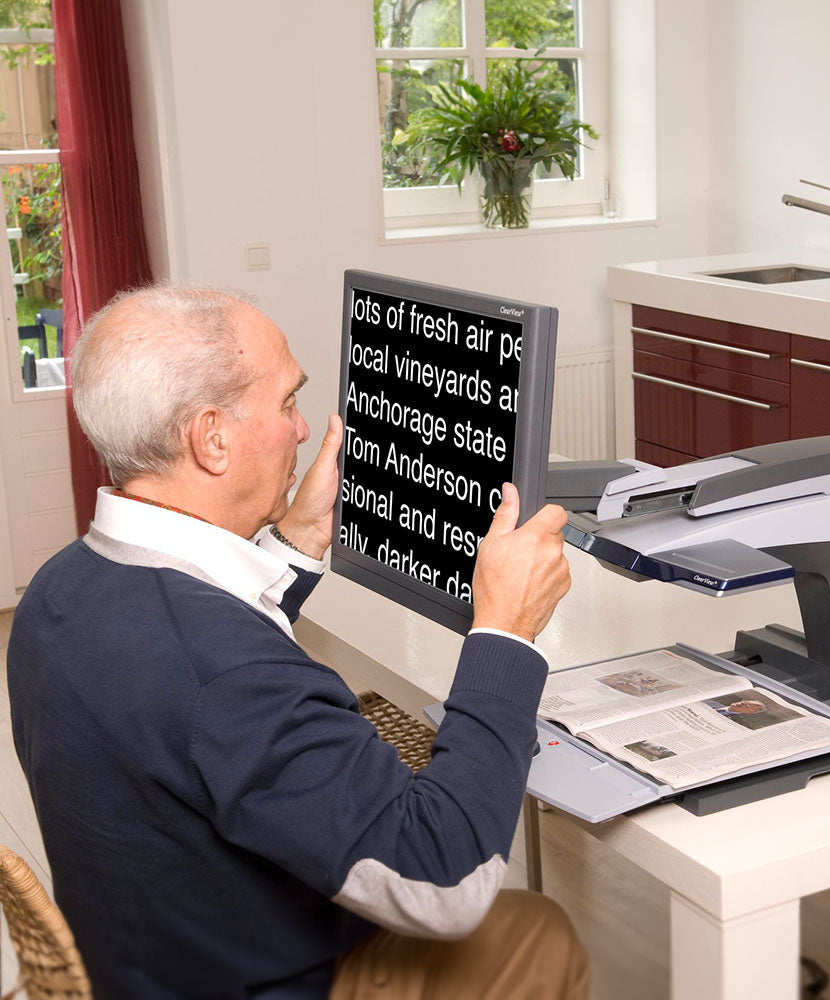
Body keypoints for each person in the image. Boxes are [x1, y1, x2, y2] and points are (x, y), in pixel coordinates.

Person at [7, 286, 586, 999]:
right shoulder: (220, 672)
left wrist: (296, 546)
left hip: (143, 959)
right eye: (286, 404)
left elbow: (187, 656)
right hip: (260, 979)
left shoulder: (57, 593)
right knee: (532, 931)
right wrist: (504, 632)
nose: (304, 429)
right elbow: (444, 880)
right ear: (212, 438)